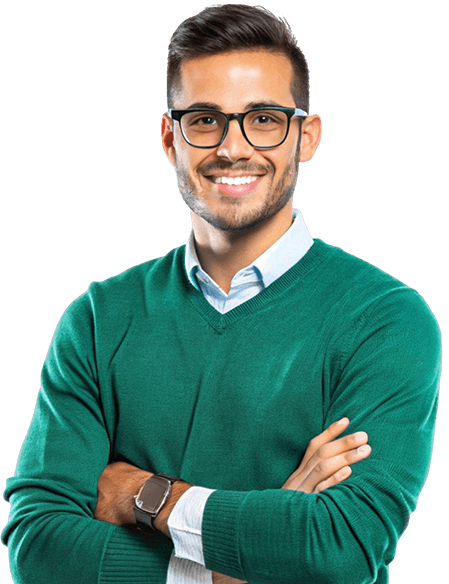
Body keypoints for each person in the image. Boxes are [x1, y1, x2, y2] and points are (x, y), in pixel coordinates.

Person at [2, 4, 441, 584]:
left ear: (306, 137)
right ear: (170, 138)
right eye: (205, 119)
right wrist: (242, 566)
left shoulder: (385, 320)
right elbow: (38, 548)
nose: (233, 148)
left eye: (264, 119)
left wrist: (147, 495)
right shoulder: (97, 320)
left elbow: (340, 546)